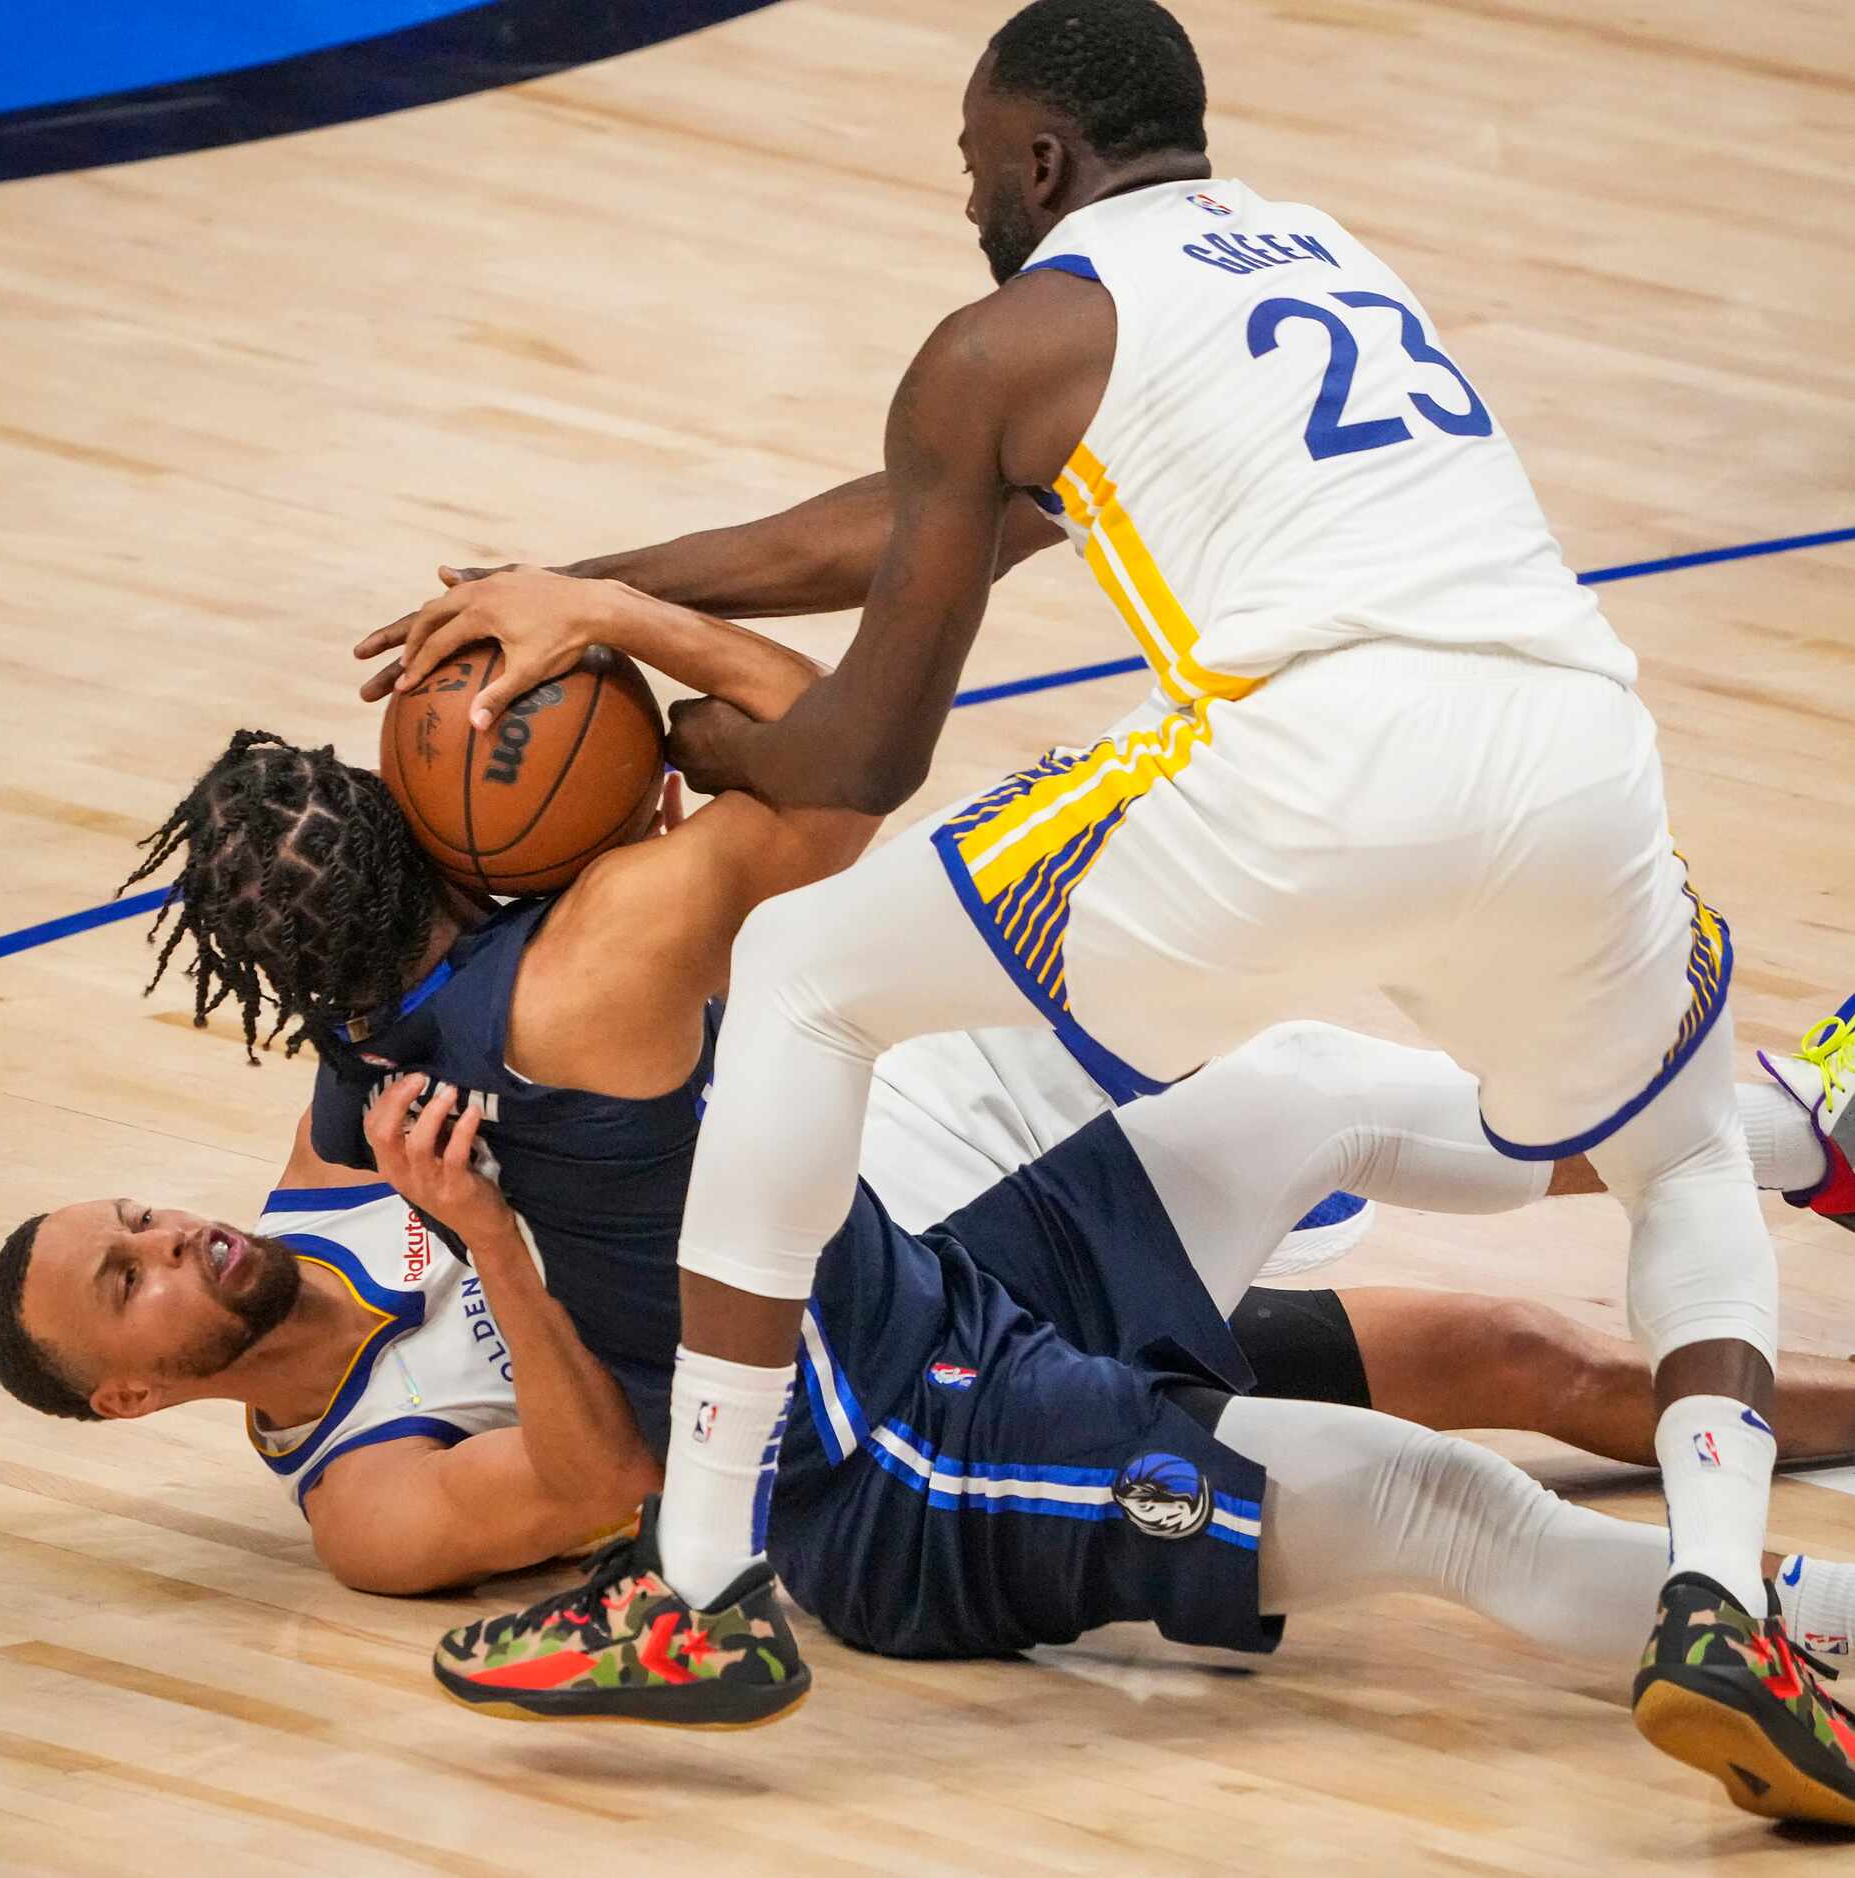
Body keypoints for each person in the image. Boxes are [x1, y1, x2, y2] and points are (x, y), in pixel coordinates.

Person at [354, 0, 1855, 1808]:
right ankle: (1720, 1595)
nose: (970, 193)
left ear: (1042, 159)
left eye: (979, 160)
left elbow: (852, 758)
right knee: (1679, 1154)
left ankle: (698, 1583)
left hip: (1315, 761)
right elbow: (924, 520)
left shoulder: (1003, 335)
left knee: (815, 972)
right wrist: (596, 583)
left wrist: (676, 737)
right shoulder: (1310, 254)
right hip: (1572, 744)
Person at [0, 1030, 1855, 1821]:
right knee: (1446, 1502)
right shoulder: (366, 1502)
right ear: (137, 1392)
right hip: (898, 1445)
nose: (173, 1238)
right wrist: (488, 1232)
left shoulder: (321, 1171)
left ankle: (1807, 1124)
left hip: (935, 1269)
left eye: (137, 1217)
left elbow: (414, 951)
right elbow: (615, 1477)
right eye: (128, 1282)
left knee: (1517, 1336)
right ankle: (1789, 1611)